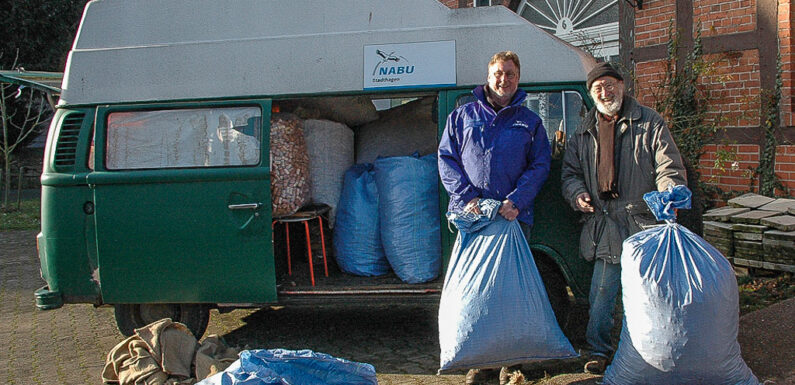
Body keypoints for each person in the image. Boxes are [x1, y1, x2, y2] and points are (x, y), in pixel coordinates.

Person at [560, 62, 687, 374]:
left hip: (643, 224)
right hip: (605, 225)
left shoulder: (650, 122)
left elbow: (668, 164)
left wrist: (669, 192)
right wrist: (577, 194)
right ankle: (598, 351)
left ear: (623, 85)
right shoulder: (582, 132)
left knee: (644, 295)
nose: (606, 92)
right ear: (591, 95)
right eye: (598, 88)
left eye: (610, 84)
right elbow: (570, 175)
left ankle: (644, 352)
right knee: (601, 294)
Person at [438, 51, 551, 385]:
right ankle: (481, 363)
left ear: (519, 78)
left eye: (511, 74)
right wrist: (467, 197)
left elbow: (540, 164)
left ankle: (510, 364)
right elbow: (446, 160)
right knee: (477, 292)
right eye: (499, 73)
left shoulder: (529, 122)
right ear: (488, 76)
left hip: (513, 218)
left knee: (511, 294)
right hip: (474, 219)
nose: (505, 80)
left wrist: (517, 200)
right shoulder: (461, 117)